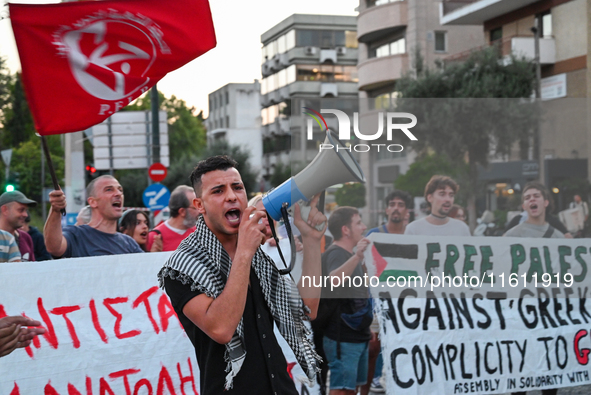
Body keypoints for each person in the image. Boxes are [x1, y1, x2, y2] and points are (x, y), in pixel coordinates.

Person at [158, 155, 325, 394]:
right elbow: (222, 329)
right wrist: (244, 251)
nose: (231, 196)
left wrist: (311, 241)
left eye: (237, 187)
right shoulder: (182, 267)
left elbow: (308, 309)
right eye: (218, 191)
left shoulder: (258, 258)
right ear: (199, 205)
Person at [504, 183, 561, 394]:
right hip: (520, 317)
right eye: (527, 197)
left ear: (545, 202)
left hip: (550, 316)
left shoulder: (558, 237)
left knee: (550, 375)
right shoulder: (511, 236)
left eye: (536, 196)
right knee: (520, 375)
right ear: (524, 205)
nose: (532, 200)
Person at [363, 190, 412, 394]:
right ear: (386, 209)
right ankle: (374, 377)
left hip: (407, 301)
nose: (396, 208)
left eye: (400, 204)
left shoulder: (414, 235)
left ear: (407, 211)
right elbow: (363, 265)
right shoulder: (374, 235)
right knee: (377, 342)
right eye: (392, 204)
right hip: (377, 299)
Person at [321, 207, 372, 395]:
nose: (364, 227)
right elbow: (334, 280)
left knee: (351, 389)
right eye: (358, 223)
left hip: (356, 336)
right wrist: (358, 257)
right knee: (342, 390)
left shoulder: (349, 255)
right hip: (343, 338)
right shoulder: (337, 253)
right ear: (346, 230)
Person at [45, 175, 144, 258]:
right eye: (109, 190)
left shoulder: (129, 244)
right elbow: (54, 247)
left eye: (120, 190)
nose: (118, 194)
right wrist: (55, 210)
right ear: (93, 202)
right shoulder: (76, 235)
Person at [404, 175, 471, 237]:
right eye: (442, 194)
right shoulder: (413, 229)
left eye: (451, 195)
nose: (448, 199)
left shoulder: (462, 228)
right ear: (430, 198)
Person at [146, 185, 197, 251]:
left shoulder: (200, 233)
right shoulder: (154, 238)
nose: (200, 211)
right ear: (182, 211)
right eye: (195, 208)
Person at [0, 191, 37, 261]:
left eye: (26, 210)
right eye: (21, 210)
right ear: (5, 210)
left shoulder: (26, 238)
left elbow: (32, 270)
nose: (26, 215)